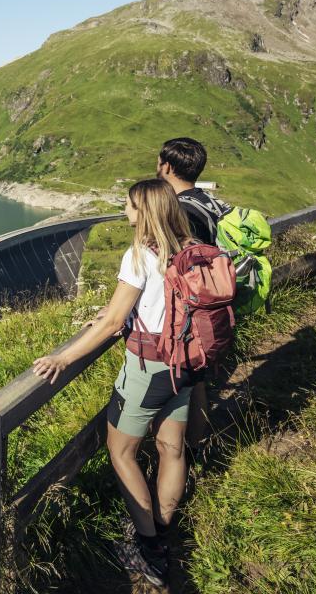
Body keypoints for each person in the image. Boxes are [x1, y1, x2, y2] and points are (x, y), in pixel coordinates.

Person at [31, 179, 195, 587]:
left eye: (129, 205)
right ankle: (163, 529)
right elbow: (141, 305)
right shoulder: (189, 248)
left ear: (144, 211)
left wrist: (63, 357)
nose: (125, 211)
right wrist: (111, 311)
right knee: (172, 448)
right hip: (187, 363)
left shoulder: (139, 254)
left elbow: (111, 324)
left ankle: (149, 547)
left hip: (150, 368)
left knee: (121, 451)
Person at [156, 137, 224, 451]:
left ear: (167, 166)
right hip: (212, 299)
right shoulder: (208, 201)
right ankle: (197, 447)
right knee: (198, 382)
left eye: (159, 162)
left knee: (187, 384)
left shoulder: (180, 210)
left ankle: (185, 451)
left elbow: (175, 262)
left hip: (189, 310)